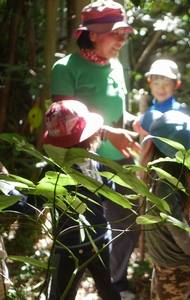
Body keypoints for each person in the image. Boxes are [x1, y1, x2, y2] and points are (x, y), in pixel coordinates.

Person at [50, 1, 140, 298]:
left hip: (118, 163)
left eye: (125, 34)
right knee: (77, 239)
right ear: (93, 35)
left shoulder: (116, 66)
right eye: (116, 34)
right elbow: (64, 122)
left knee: (125, 226)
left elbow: (118, 112)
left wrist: (134, 125)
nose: (122, 41)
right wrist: (107, 132)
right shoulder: (65, 68)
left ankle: (118, 281)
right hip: (80, 166)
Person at [42, 100, 120, 299]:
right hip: (99, 238)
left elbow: (40, 200)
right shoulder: (94, 161)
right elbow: (106, 194)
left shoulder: (52, 169)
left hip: (68, 244)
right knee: (107, 287)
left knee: (61, 294)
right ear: (90, 136)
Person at [140, 110, 190, 300]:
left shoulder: (165, 183)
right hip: (167, 262)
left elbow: (175, 222)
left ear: (154, 145)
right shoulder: (170, 174)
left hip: (175, 265)